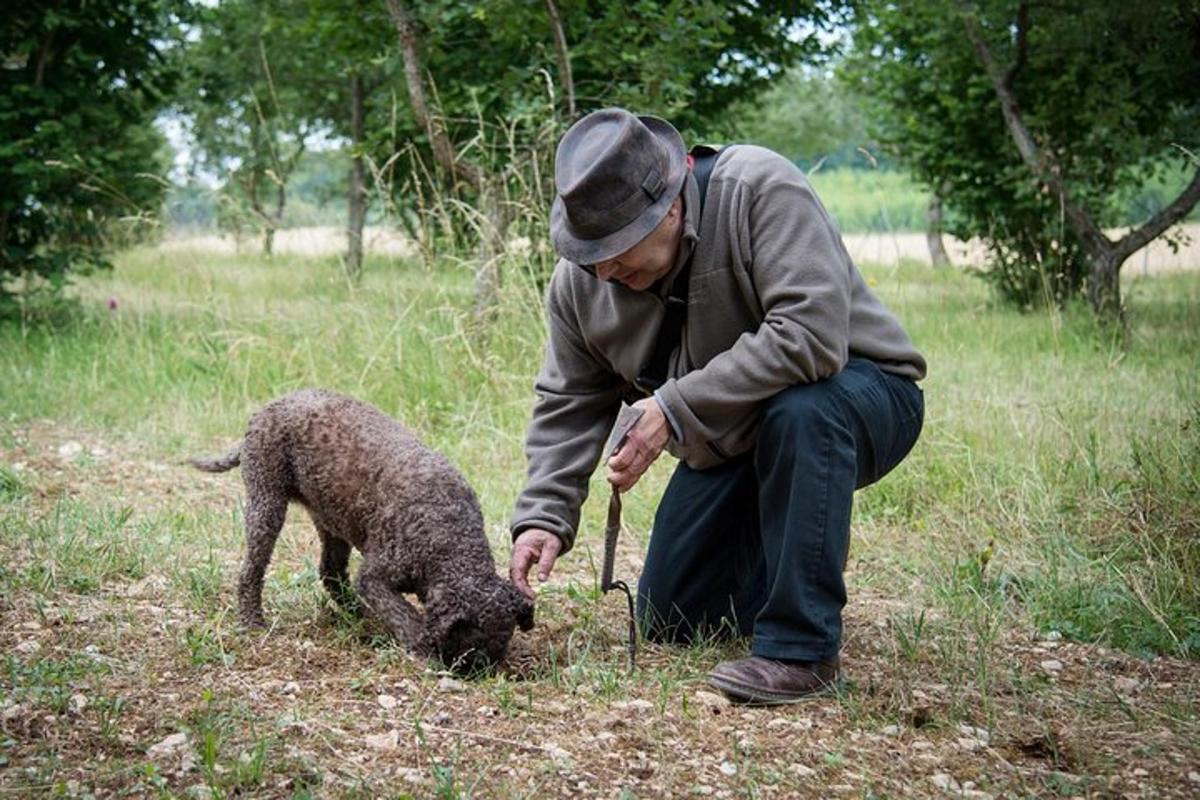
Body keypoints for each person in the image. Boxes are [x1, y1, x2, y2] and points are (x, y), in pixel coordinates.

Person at [508, 108, 926, 704]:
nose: (602, 268)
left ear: (672, 205)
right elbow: (570, 399)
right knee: (674, 618)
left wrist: (674, 409)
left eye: (617, 246)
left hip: (862, 394)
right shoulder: (582, 282)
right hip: (739, 435)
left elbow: (810, 336)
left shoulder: (759, 189)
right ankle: (786, 560)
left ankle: (800, 649)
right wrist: (543, 516)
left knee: (803, 411)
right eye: (590, 250)